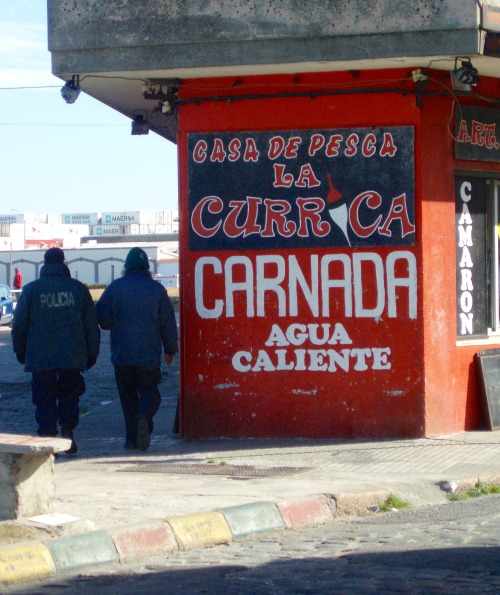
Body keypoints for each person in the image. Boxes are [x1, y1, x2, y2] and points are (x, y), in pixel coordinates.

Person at [11, 247, 100, 454]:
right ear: (63, 263)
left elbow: (19, 325)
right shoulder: (78, 289)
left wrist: (20, 350)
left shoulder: (32, 290)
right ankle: (68, 432)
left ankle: (47, 437)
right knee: (70, 395)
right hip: (72, 355)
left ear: (44, 263)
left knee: (44, 398)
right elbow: (91, 325)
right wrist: (92, 352)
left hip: (40, 355)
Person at [96, 247, 178, 451]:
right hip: (148, 356)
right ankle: (145, 418)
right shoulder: (157, 290)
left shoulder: (114, 288)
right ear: (147, 269)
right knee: (151, 394)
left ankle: (131, 440)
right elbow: (168, 323)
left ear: (126, 267)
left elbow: (102, 319)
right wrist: (170, 350)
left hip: (122, 356)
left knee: (127, 399)